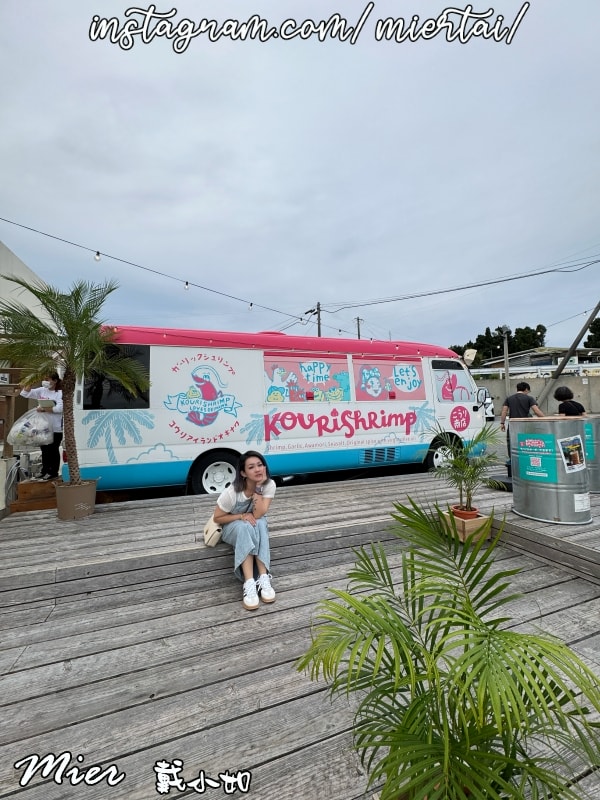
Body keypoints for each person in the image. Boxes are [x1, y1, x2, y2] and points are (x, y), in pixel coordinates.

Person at [213, 451, 277, 611]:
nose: (258, 469)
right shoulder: (232, 492)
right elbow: (217, 517)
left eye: (260, 465)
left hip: (254, 524)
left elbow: (259, 513)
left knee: (260, 522)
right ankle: (249, 583)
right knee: (244, 526)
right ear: (243, 473)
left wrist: (258, 490)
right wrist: (241, 516)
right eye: (251, 467)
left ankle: (263, 578)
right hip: (231, 527)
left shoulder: (269, 484)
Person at [20, 372, 64, 480]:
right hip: (43, 427)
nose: (45, 381)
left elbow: (59, 409)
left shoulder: (59, 393)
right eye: (44, 379)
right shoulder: (41, 390)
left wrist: (44, 409)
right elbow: (25, 393)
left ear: (55, 381)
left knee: (53, 450)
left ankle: (53, 472)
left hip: (55, 428)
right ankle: (44, 470)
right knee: (44, 450)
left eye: (48, 379)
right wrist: (31, 381)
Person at [499, 382, 544, 456]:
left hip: (513, 425)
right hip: (525, 425)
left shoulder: (509, 399)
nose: (528, 393)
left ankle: (512, 459)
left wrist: (502, 423)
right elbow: (536, 411)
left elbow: (504, 411)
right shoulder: (529, 398)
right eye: (528, 391)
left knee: (511, 442)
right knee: (526, 443)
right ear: (526, 389)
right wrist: (546, 419)